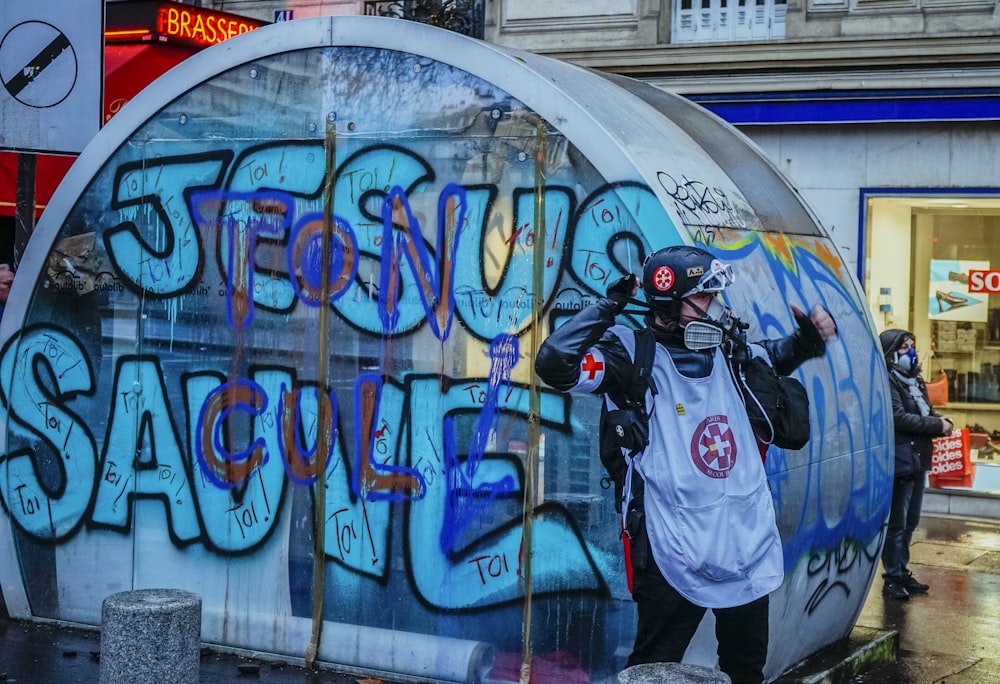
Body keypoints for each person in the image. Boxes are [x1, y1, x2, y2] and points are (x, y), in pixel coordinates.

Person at [534, 245, 837, 684]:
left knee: (746, 668)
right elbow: (554, 364)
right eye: (704, 297)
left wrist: (806, 341)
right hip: (670, 547)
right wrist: (607, 307)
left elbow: (771, 357)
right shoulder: (628, 354)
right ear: (670, 303)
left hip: (743, 544)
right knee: (652, 668)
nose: (716, 306)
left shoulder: (729, 349)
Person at [878, 329, 953, 600]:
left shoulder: (916, 381)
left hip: (919, 458)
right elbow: (898, 417)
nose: (910, 351)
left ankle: (901, 569)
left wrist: (940, 422)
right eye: (903, 346)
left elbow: (924, 414)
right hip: (901, 460)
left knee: (911, 521)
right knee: (897, 523)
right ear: (890, 352)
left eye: (912, 345)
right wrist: (935, 424)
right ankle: (892, 577)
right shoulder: (888, 381)